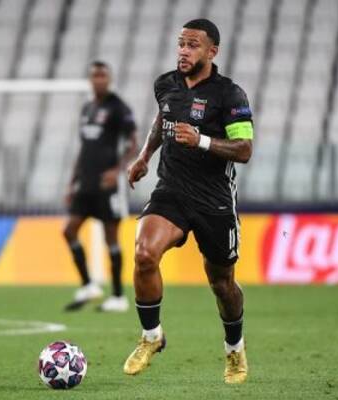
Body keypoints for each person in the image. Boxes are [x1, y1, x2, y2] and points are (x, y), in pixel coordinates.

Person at [123, 19, 254, 384]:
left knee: (222, 284)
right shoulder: (165, 84)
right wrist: (144, 156)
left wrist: (202, 141)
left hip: (214, 200)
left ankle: (234, 348)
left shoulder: (230, 95)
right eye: (181, 43)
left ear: (212, 51)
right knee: (144, 254)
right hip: (172, 191)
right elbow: (162, 120)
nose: (183, 51)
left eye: (192, 45)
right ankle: (151, 336)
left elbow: (244, 149)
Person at [63, 61, 137, 312]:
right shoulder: (87, 109)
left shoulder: (118, 108)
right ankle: (88, 285)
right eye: (95, 76)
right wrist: (71, 183)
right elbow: (84, 148)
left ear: (110, 78)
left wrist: (117, 171)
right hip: (85, 183)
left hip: (107, 185)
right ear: (90, 79)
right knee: (69, 231)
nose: (99, 80)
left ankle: (117, 296)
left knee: (111, 239)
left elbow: (134, 143)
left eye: (103, 76)